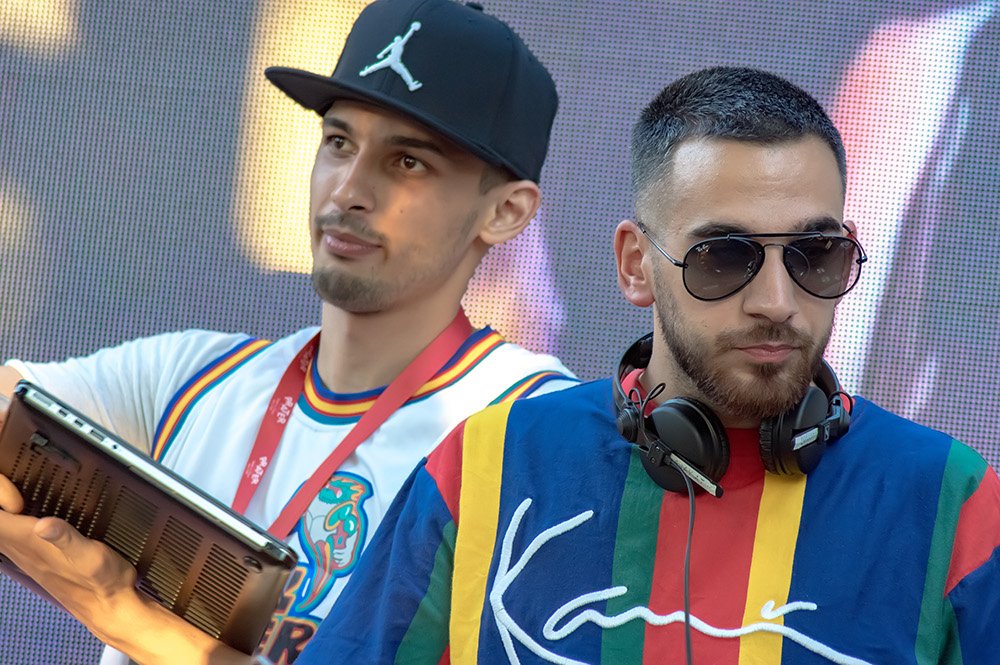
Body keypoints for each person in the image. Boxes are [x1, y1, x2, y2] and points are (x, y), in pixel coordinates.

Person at [296, 66, 1000, 664]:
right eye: (723, 256)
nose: (778, 302)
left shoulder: (954, 504)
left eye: (815, 255)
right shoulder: (486, 466)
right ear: (636, 265)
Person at [0, 0, 578, 663]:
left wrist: (128, 618)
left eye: (407, 162)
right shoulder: (193, 377)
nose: (348, 190)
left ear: (506, 211)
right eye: (339, 142)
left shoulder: (539, 428)